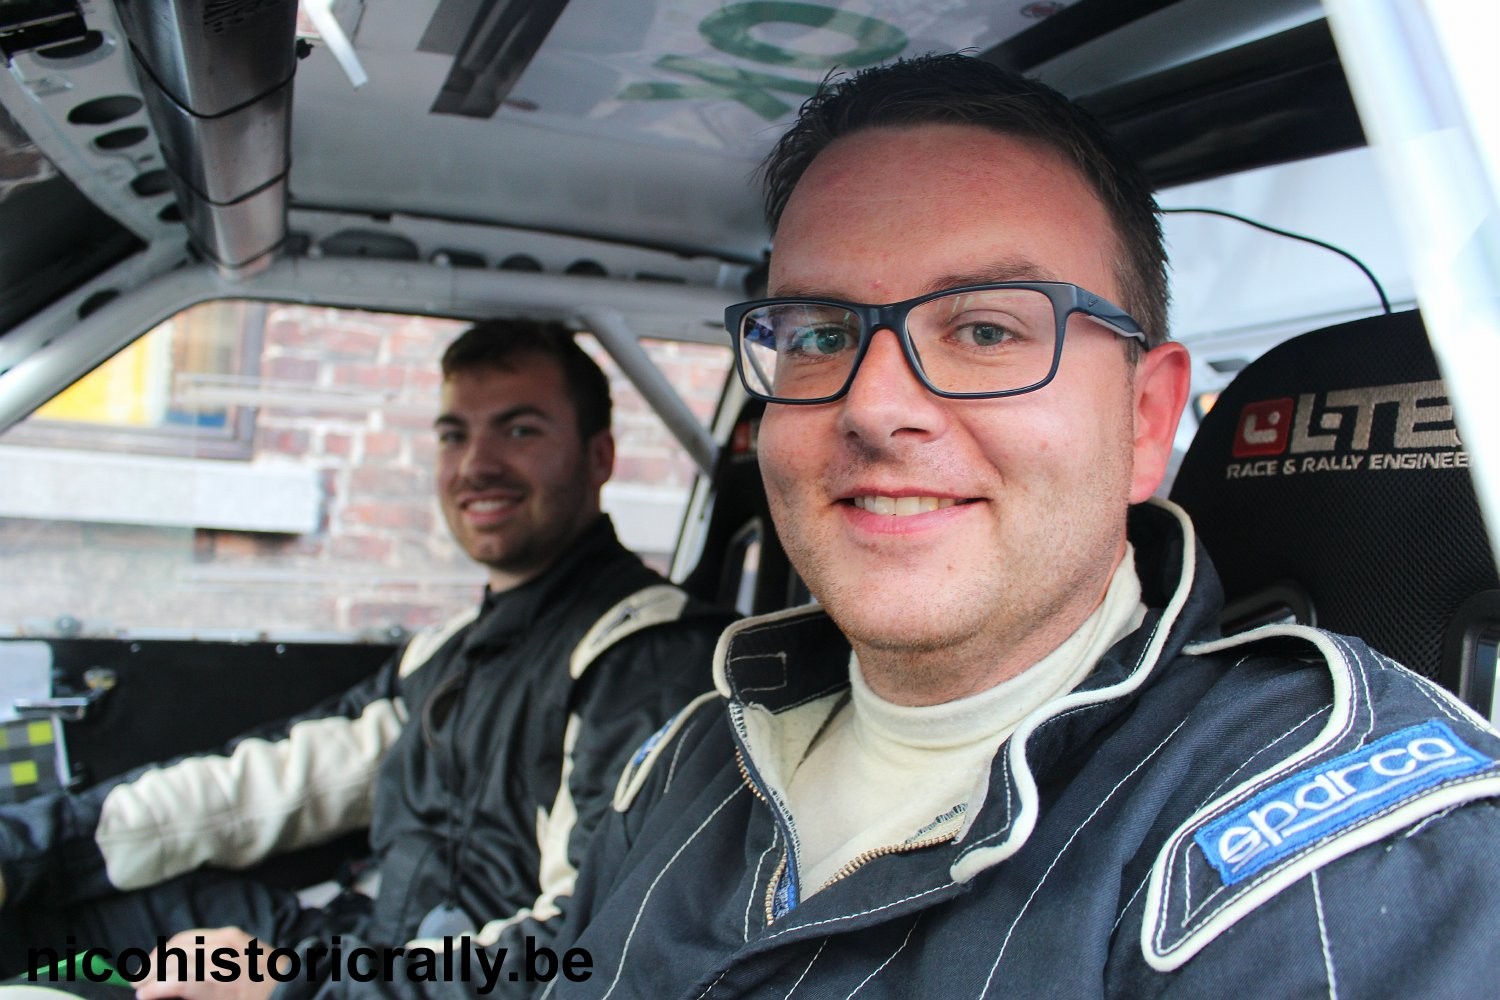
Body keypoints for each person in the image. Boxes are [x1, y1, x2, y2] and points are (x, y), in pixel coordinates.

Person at [142, 55, 1500, 1000]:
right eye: (819, 334)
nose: (879, 405)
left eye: (983, 329)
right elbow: (562, 954)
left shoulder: (1333, 861)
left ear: (1149, 419)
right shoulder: (704, 746)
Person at [0, 319, 733, 982]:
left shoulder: (644, 658)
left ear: (598, 457)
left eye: (519, 431)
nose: (476, 465)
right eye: (454, 435)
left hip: (420, 978)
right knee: (74, 911)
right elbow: (265, 782)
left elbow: (583, 951)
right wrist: (35, 848)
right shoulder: (447, 653)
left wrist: (290, 987)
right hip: (370, 954)